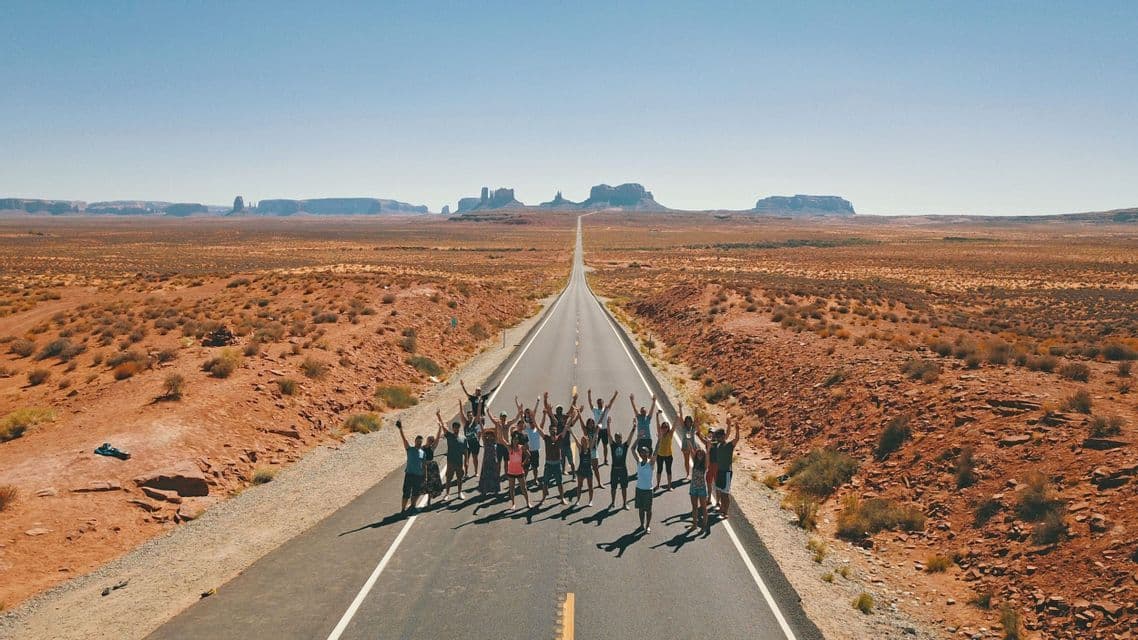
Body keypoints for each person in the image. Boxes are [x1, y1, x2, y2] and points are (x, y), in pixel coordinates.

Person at [535, 409, 571, 504]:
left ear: (556, 430)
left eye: (554, 429)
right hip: (548, 464)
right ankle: (543, 498)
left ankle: (562, 498)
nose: (553, 431)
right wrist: (534, 420)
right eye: (551, 430)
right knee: (545, 482)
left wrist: (573, 417)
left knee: (559, 483)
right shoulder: (546, 438)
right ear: (549, 431)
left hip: (557, 464)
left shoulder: (559, 437)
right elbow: (539, 429)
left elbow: (566, 427)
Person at [543, 392, 578, 475]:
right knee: (561, 458)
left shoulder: (565, 416)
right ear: (556, 410)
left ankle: (573, 474)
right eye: (558, 409)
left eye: (560, 409)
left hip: (566, 441)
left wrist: (574, 400)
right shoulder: (553, 416)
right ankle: (562, 471)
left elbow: (571, 409)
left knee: (569, 459)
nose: (559, 410)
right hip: (558, 442)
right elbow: (547, 408)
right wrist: (545, 399)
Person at [712, 420, 741, 519]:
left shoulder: (729, 446)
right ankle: (721, 509)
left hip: (727, 472)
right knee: (720, 491)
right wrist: (728, 425)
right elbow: (727, 433)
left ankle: (725, 513)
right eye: (717, 437)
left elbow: (736, 439)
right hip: (720, 471)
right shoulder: (719, 445)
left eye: (719, 437)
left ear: (723, 436)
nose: (718, 439)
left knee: (725, 493)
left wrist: (737, 429)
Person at [396, 420, 425, 514]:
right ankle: (403, 510)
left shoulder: (423, 453)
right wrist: (401, 429)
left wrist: (425, 475)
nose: (419, 443)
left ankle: (413, 506)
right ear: (415, 441)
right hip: (409, 475)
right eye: (418, 441)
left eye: (420, 442)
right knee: (406, 493)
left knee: (416, 492)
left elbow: (424, 464)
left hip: (419, 476)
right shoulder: (410, 449)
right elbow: (404, 439)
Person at [608, 418, 636, 509]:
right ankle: (612, 502)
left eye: (619, 437)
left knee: (624, 487)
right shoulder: (613, 445)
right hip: (614, 469)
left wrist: (634, 428)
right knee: (613, 487)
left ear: (621, 438)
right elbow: (609, 435)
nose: (617, 438)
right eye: (616, 437)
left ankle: (624, 503)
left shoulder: (625, 446)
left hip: (623, 469)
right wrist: (608, 424)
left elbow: (630, 438)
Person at [437, 410, 467, 500]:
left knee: (459, 478)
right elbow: (443, 427)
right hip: (450, 461)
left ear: (459, 428)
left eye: (457, 427)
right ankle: (447, 494)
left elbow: (465, 450)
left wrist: (467, 461)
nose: (456, 429)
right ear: (453, 428)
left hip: (459, 461)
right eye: (454, 427)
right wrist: (438, 415)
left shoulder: (463, 438)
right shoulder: (449, 435)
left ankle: (459, 492)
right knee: (449, 478)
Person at [588, 388, 619, 465]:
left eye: (601, 403)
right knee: (594, 446)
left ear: (603, 403)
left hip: (604, 430)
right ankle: (592, 459)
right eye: (598, 403)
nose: (599, 404)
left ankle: (605, 460)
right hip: (597, 431)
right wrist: (589, 394)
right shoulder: (595, 410)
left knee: (605, 446)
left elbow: (611, 402)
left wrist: (615, 395)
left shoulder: (606, 409)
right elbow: (590, 403)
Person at [518, 397, 543, 488]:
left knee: (535, 467)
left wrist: (538, 402)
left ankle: (535, 479)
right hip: (527, 451)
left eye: (529, 413)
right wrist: (520, 410)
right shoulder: (526, 428)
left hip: (535, 451)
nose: (528, 414)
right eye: (527, 413)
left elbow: (534, 412)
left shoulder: (535, 428)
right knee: (526, 467)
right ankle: (523, 481)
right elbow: (522, 418)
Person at [505, 431, 531, 510]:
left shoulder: (521, 447)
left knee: (524, 488)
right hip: (511, 471)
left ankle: (528, 502)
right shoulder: (510, 448)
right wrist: (499, 428)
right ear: (512, 440)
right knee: (512, 488)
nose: (515, 441)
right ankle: (513, 504)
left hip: (519, 471)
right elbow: (502, 440)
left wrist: (524, 462)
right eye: (514, 439)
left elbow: (528, 455)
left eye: (517, 439)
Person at [633, 445, 656, 533]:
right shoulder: (638, 461)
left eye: (645, 452)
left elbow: (656, 451)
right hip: (639, 489)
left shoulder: (651, 463)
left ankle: (648, 526)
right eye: (641, 452)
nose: (643, 453)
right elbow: (632, 449)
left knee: (648, 510)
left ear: (648, 453)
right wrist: (638, 439)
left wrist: (660, 439)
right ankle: (642, 524)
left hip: (648, 490)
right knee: (641, 509)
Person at [688, 448, 710, 532]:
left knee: (704, 508)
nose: (699, 455)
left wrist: (708, 450)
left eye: (701, 454)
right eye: (698, 454)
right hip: (693, 488)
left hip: (701, 489)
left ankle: (704, 526)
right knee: (694, 507)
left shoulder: (704, 465)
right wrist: (689, 440)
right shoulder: (695, 463)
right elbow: (692, 452)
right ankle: (694, 525)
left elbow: (707, 457)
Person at [654, 410, 676, 490]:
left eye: (666, 427)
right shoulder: (660, 434)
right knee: (659, 470)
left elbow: (674, 426)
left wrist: (677, 416)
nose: (664, 428)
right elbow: (657, 425)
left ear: (668, 428)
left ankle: (669, 486)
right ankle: (657, 485)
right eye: (663, 427)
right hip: (660, 455)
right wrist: (657, 416)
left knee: (668, 471)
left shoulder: (670, 434)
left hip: (668, 456)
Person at [459, 403, 481, 479]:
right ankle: (466, 473)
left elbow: (478, 413)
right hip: (467, 444)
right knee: (466, 459)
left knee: (475, 458)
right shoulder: (466, 423)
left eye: (471, 415)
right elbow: (462, 414)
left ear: (473, 416)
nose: (470, 417)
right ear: (467, 417)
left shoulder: (475, 422)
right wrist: (460, 405)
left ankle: (476, 472)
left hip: (475, 443)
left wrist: (479, 404)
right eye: (469, 416)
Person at [422, 430, 443, 508]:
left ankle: (428, 502)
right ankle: (414, 501)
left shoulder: (432, 448)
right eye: (429, 439)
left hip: (431, 467)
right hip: (424, 467)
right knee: (422, 484)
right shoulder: (422, 448)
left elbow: (437, 439)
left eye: (431, 440)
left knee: (430, 485)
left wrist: (440, 429)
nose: (429, 441)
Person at [676, 401, 698, 479]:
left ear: (691, 422)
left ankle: (694, 473)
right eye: (687, 421)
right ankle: (688, 474)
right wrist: (680, 408)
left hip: (693, 446)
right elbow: (681, 418)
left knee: (695, 460)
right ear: (685, 422)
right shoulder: (684, 428)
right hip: (685, 446)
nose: (688, 422)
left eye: (689, 421)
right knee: (686, 460)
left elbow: (696, 420)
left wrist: (696, 410)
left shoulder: (693, 428)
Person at [573, 432, 595, 506]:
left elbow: (594, 438)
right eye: (582, 441)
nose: (583, 442)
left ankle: (590, 501)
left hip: (588, 470)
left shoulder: (590, 449)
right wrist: (571, 432)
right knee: (579, 486)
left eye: (585, 441)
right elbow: (575, 440)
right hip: (581, 470)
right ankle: (578, 500)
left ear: (587, 442)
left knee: (590, 486)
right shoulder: (580, 449)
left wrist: (598, 429)